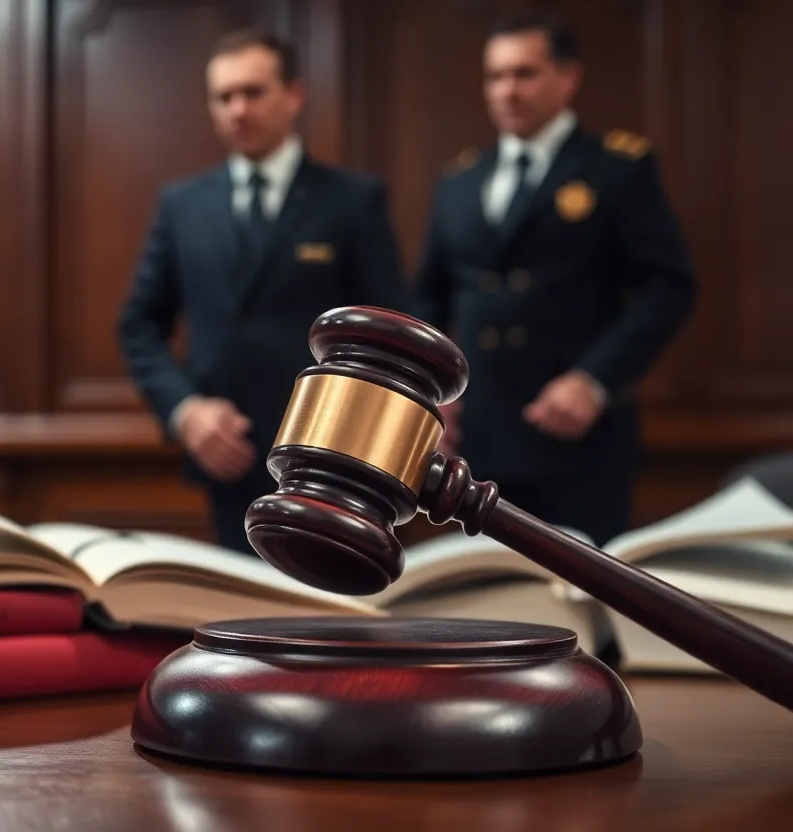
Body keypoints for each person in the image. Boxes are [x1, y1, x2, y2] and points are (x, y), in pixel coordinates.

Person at [409, 12, 696, 545]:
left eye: (524, 74)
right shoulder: (461, 180)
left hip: (576, 433)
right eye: (495, 76)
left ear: (568, 78)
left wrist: (594, 381)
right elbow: (430, 295)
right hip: (480, 437)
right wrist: (432, 396)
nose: (507, 90)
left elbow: (669, 286)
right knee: (490, 610)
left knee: (580, 606)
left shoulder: (616, 168)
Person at [116, 29, 406, 555]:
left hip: (328, 462)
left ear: (294, 95)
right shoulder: (183, 205)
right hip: (225, 452)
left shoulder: (351, 200)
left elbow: (389, 331)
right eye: (223, 97)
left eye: (253, 92)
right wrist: (186, 412)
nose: (237, 110)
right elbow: (139, 324)